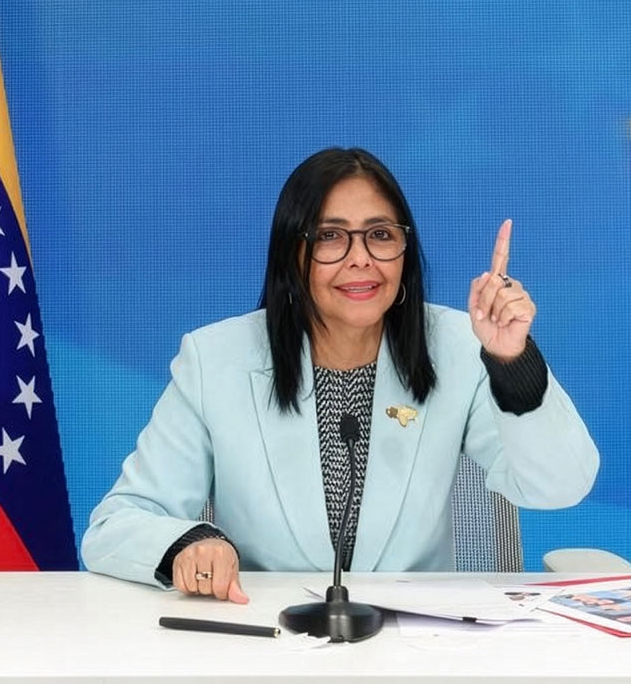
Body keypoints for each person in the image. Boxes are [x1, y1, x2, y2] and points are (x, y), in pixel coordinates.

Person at [81, 147, 599, 602]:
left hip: (419, 647)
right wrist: (190, 543)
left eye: (380, 235)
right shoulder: (215, 360)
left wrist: (512, 361)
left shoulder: (460, 347)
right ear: (293, 254)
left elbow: (560, 487)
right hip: (268, 642)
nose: (361, 260)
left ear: (404, 253)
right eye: (331, 237)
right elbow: (116, 523)